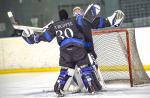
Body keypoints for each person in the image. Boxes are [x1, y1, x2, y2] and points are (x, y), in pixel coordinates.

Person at [21, 9, 101, 97]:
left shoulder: (55, 25)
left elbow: (46, 37)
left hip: (65, 51)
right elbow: (86, 25)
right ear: (68, 15)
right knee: (85, 69)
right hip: (78, 48)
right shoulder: (75, 20)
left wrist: (33, 38)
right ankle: (90, 86)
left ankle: (59, 87)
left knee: (65, 71)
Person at [71, 4, 125, 91]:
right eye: (75, 11)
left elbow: (99, 22)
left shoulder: (85, 21)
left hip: (87, 48)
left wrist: (109, 21)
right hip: (77, 49)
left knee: (93, 65)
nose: (77, 12)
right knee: (73, 68)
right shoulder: (72, 22)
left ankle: (96, 82)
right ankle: (77, 84)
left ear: (82, 11)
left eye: (78, 10)